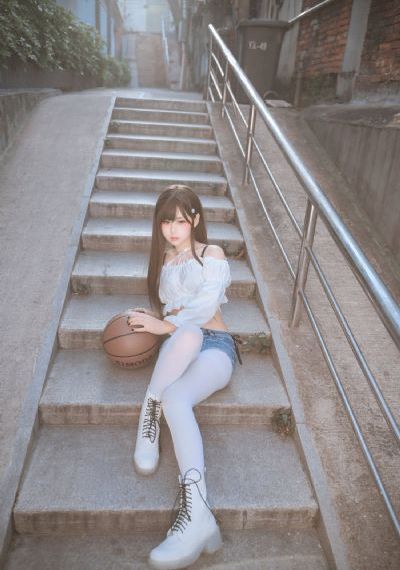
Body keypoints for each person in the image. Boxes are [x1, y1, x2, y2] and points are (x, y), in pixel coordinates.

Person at [126, 184, 242, 569]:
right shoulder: (162, 261)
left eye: (180, 220)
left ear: (195, 219)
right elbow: (171, 313)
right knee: (184, 345)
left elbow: (204, 307)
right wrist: (152, 321)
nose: (173, 230)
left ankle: (151, 402)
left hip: (215, 347)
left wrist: (165, 326)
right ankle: (199, 520)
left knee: (182, 370)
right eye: (165, 222)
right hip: (180, 345)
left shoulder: (212, 254)